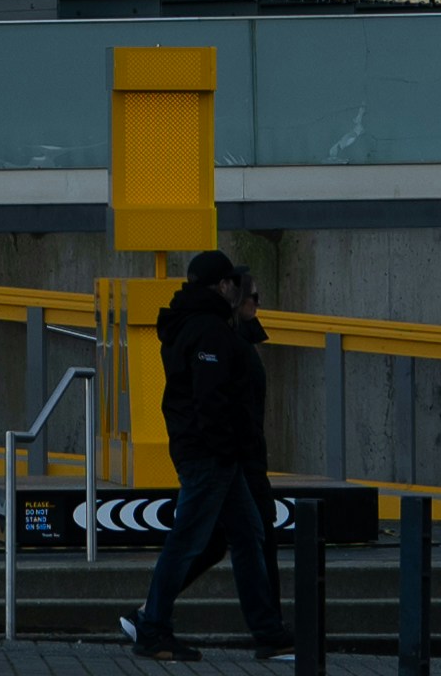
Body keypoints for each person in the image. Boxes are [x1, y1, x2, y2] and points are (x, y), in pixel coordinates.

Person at [126, 253, 289, 664]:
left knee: (247, 535)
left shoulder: (191, 326)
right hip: (210, 457)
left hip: (212, 455)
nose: (238, 289)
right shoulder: (209, 332)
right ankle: (153, 628)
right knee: (188, 542)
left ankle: (269, 633)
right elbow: (209, 400)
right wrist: (224, 449)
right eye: (234, 283)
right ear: (221, 286)